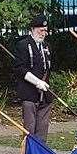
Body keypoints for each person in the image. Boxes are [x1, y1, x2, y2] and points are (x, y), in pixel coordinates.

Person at [12, 15, 54, 143]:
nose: (43, 33)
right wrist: (37, 82)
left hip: (44, 94)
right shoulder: (23, 45)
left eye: (45, 30)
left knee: (43, 129)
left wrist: (44, 84)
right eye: (40, 30)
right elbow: (20, 69)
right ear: (32, 29)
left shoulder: (46, 46)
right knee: (29, 129)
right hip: (29, 93)